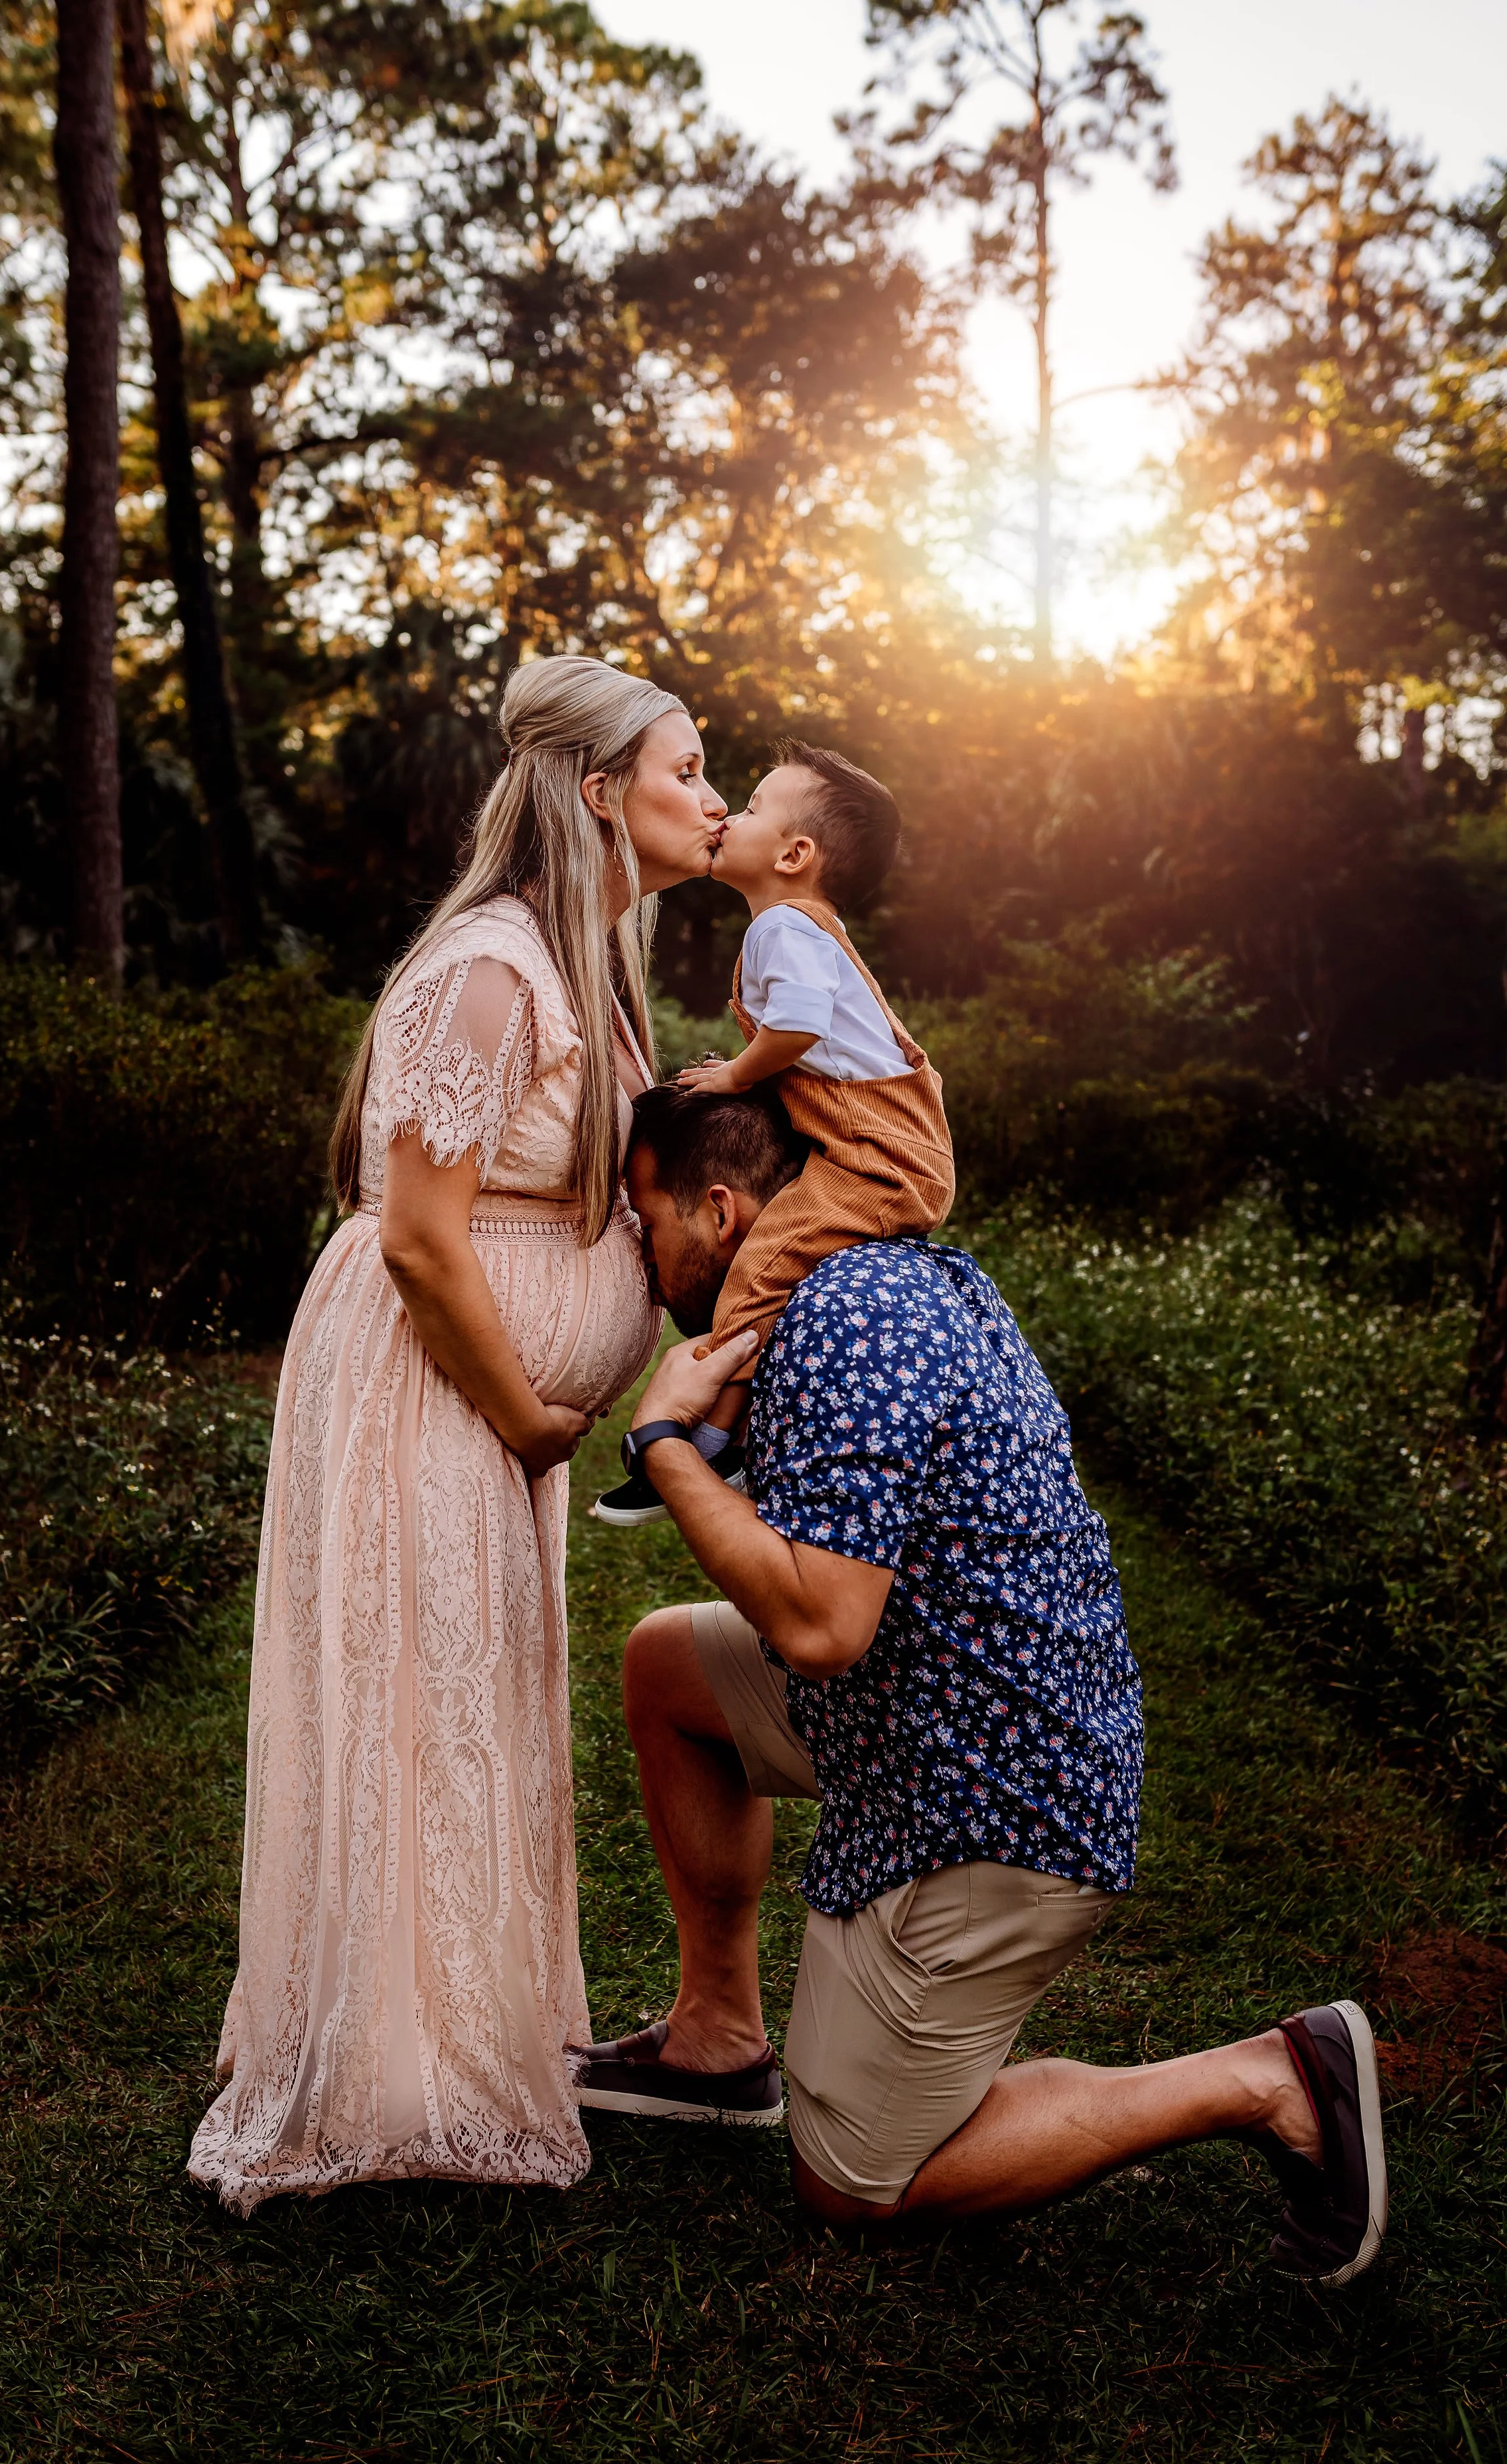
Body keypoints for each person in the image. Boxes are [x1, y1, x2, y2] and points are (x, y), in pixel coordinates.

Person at [573, 1085, 1387, 2289]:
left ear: (721, 1205)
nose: (643, 1259)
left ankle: (1278, 2077)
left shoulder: (850, 1318)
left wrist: (666, 1449)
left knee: (854, 2185)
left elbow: (820, 1625)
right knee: (668, 1668)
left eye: (646, 1223)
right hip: (944, 1709)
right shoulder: (873, 1277)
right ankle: (714, 2038)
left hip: (991, 1798)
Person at [187, 659, 725, 2214]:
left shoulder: (594, 963)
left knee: (464, 1689)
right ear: (603, 791)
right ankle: (367, 2063)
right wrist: (523, 1410)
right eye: (690, 767)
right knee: (408, 1688)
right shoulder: (493, 968)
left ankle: (450, 2033)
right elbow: (422, 1236)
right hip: (430, 1378)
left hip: (489, 1399)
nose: (713, 794)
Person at [589, 741, 954, 1525]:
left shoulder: (784, 926)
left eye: (751, 808)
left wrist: (733, 1077)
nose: (726, 811)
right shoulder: (802, 928)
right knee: (782, 1277)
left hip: (878, 1157)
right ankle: (751, 1430)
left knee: (765, 1265)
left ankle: (710, 1439)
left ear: (794, 854)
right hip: (879, 1143)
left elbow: (795, 1026)